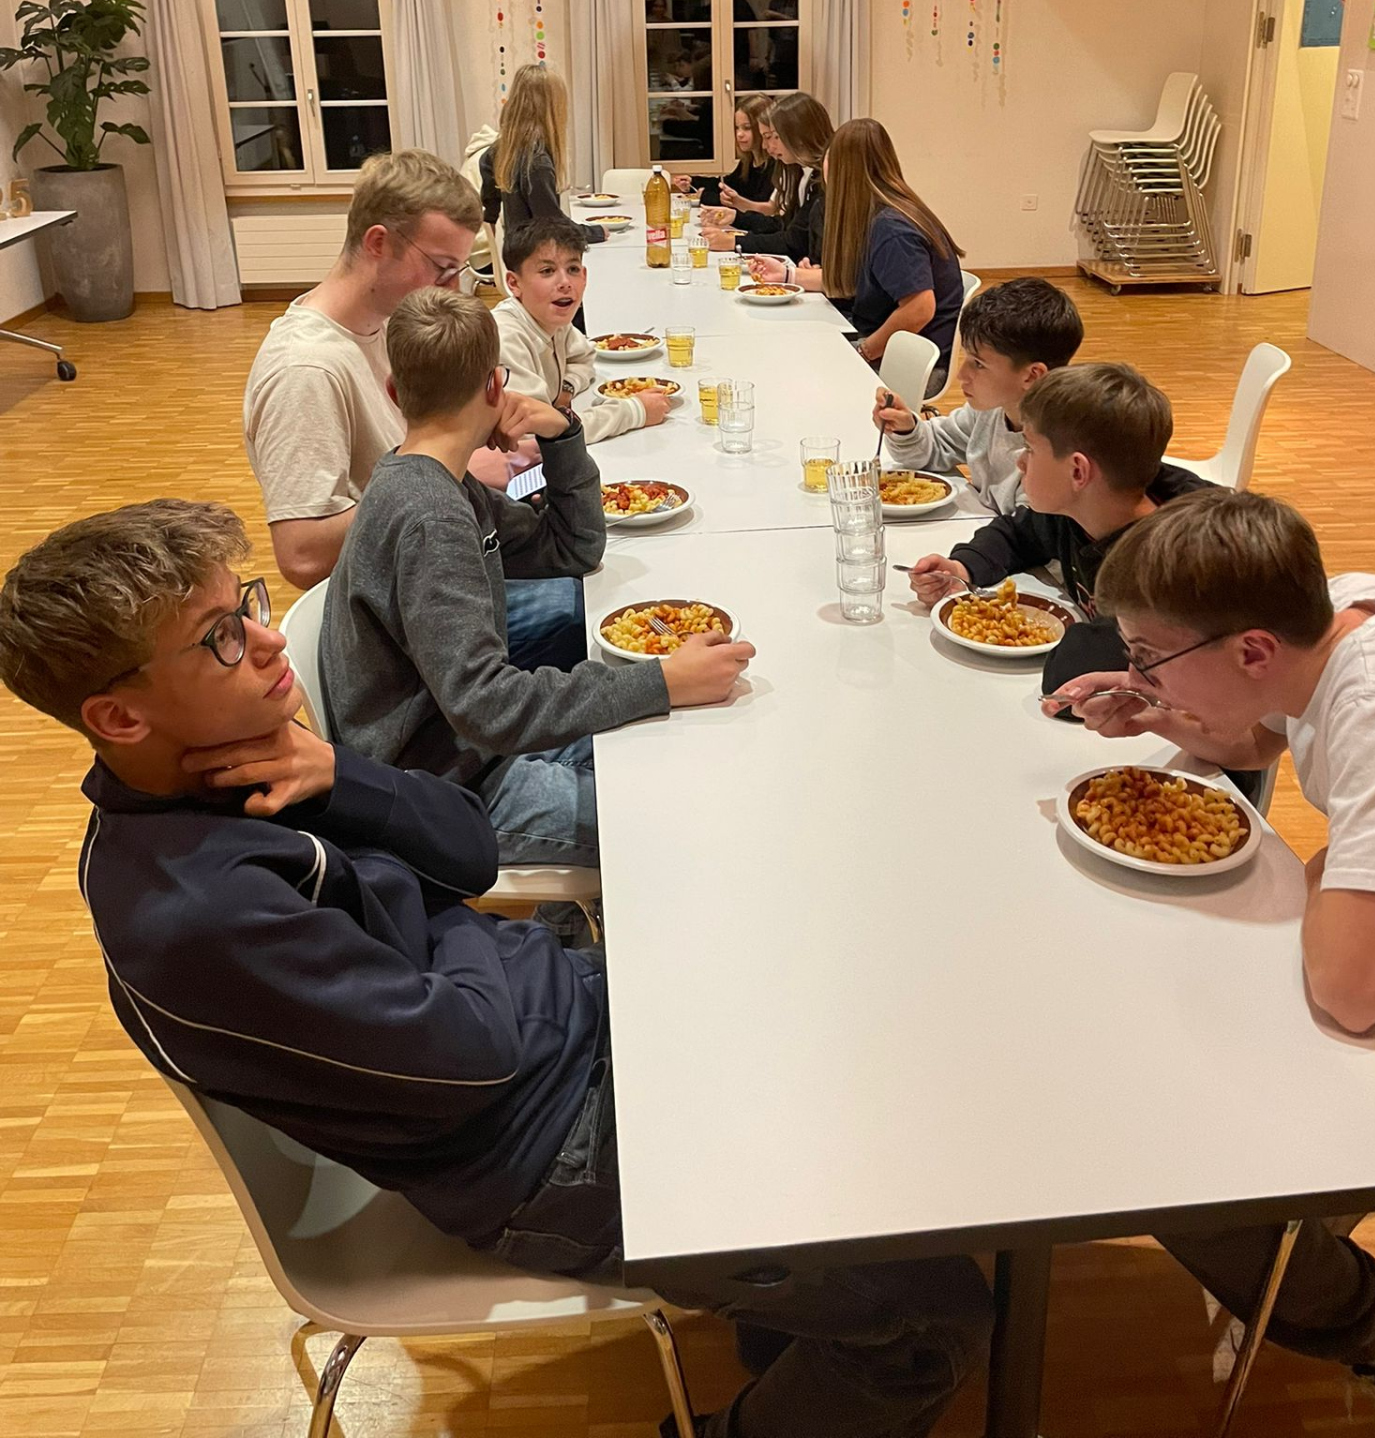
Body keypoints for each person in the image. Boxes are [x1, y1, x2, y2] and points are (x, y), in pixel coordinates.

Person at [0, 500, 995, 1438]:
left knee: (840, 1014)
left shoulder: (249, 764)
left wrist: (345, 779)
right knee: (937, 1315)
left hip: (561, 1021)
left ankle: (785, 1312)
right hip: (540, 1150)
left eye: (248, 605)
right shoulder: (196, 913)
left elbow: (470, 854)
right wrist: (452, 924)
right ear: (119, 719)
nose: (264, 642)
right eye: (220, 637)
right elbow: (470, 1051)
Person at [1046, 488, 1375, 1428]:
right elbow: (1270, 731)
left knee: (1193, 1173)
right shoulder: (1335, 614)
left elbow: (1353, 991)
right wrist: (1161, 715)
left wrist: (1324, 865)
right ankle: (1316, 1252)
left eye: (1148, 657)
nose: (1137, 673)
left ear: (1253, 648)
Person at [322, 288, 752, 867]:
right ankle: (578, 919)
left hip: (465, 751)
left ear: (394, 392)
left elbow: (573, 548)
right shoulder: (432, 517)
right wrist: (662, 682)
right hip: (443, 791)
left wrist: (560, 434)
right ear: (495, 388)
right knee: (670, 814)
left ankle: (570, 911)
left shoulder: (436, 480)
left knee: (669, 744)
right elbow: (487, 705)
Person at [242, 146, 510, 591]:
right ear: (378, 243)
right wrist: (446, 473)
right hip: (397, 604)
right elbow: (302, 555)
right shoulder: (305, 370)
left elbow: (418, 441)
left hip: (435, 556)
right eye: (442, 269)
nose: (452, 289)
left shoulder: (388, 324)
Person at [906, 363, 1213, 691]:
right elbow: (1018, 533)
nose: (1020, 462)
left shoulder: (1164, 571)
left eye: (1029, 448)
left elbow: (1073, 677)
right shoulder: (1083, 507)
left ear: (1078, 471)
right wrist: (962, 568)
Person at [874, 276, 1084, 513]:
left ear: (1032, 375)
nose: (961, 375)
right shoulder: (991, 410)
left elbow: (1026, 531)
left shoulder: (1056, 453)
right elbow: (937, 446)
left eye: (978, 364)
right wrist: (906, 429)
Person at [801, 117, 966, 371]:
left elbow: (920, 308)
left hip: (910, 364)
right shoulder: (882, 214)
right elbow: (858, 282)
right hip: (892, 346)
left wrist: (864, 352)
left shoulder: (891, 228)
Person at [493, 219, 671, 443]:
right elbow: (536, 436)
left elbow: (583, 357)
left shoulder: (550, 318)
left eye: (573, 269)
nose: (565, 282)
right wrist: (634, 411)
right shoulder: (506, 338)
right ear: (514, 283)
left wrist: (566, 389)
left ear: (584, 276)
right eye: (547, 271)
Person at [471, 64, 603, 247]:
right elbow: (552, 225)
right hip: (535, 256)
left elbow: (486, 162)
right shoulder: (537, 162)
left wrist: (490, 216)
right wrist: (595, 232)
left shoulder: (506, 148)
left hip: (516, 249)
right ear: (553, 110)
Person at [705, 92, 833, 265]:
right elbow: (783, 225)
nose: (767, 146)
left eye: (775, 137)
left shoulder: (821, 179)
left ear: (799, 135)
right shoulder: (800, 172)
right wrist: (737, 218)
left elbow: (792, 242)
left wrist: (734, 242)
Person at [672, 94, 779, 210]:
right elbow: (726, 184)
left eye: (747, 128)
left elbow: (752, 206)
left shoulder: (774, 166)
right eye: (737, 128)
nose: (739, 134)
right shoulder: (749, 161)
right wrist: (693, 182)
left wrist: (705, 196)